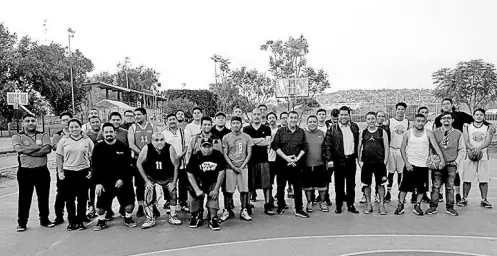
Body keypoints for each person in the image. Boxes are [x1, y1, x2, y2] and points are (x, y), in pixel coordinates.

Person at [395, 114, 445, 216]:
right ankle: (400, 205)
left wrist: (442, 160)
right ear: (414, 121)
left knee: (421, 189)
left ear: (425, 122)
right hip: (410, 165)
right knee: (404, 187)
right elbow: (402, 149)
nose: (420, 123)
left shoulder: (429, 133)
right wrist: (407, 163)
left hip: (423, 166)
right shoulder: (408, 133)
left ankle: (417, 206)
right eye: (418, 121)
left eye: (423, 121)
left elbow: (436, 147)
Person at [12, 114, 55, 232]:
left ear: (36, 122)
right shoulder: (17, 136)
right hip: (25, 172)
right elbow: (19, 150)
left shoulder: (43, 134)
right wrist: (37, 148)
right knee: (24, 198)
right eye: (27, 121)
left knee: (43, 196)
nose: (30, 123)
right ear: (23, 123)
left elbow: (47, 149)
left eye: (32, 120)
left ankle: (44, 219)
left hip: (41, 171)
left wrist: (28, 151)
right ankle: (22, 222)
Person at [92, 123, 137, 231]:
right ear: (103, 133)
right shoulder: (98, 147)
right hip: (105, 181)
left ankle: (128, 218)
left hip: (123, 180)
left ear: (114, 133)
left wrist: (122, 179)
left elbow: (128, 166)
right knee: (100, 209)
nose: (108, 134)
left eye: (110, 132)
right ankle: (101, 221)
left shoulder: (123, 146)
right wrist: (98, 183)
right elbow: (95, 167)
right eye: (106, 132)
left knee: (129, 206)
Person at [137, 132, 182, 229]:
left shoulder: (170, 148)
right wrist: (147, 180)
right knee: (148, 192)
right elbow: (138, 163)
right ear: (152, 141)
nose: (159, 142)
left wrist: (173, 182)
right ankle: (150, 218)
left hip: (167, 177)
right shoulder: (147, 148)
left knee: (173, 192)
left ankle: (173, 215)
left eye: (162, 140)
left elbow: (176, 166)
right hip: (152, 177)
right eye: (156, 140)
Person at [56, 119, 94, 231]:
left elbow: (93, 157)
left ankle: (81, 220)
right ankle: (72, 221)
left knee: (82, 198)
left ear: (80, 127)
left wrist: (92, 170)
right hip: (68, 172)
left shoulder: (87, 140)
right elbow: (59, 157)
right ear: (68, 128)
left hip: (83, 171)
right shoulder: (63, 140)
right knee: (70, 198)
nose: (74, 129)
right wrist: (60, 171)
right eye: (72, 127)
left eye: (76, 127)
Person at [433, 98, 473, 204]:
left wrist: (487, 124)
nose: (445, 105)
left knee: (455, 174)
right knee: (440, 173)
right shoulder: (438, 119)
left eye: (447, 103)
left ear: (451, 105)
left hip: (455, 149)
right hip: (442, 149)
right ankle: (440, 193)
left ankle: (458, 194)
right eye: (443, 104)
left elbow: (474, 120)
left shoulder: (460, 115)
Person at [426, 111, 466, 216]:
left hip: (451, 164)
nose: (446, 120)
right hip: (438, 164)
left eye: (449, 118)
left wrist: (456, 162)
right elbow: (430, 147)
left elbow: (462, 149)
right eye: (444, 118)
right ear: (440, 120)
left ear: (453, 120)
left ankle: (450, 207)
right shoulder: (434, 132)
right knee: (436, 186)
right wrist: (432, 160)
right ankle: (433, 206)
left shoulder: (458, 133)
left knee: (450, 187)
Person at [271, 111, 309, 218]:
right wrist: (286, 158)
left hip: (296, 164)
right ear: (287, 119)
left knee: (297, 187)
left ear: (297, 119)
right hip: (282, 163)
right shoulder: (280, 131)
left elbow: (304, 147)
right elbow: (275, 146)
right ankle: (281, 206)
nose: (293, 120)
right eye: (291, 117)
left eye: (295, 118)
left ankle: (299, 209)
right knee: (281, 186)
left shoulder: (301, 132)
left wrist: (297, 158)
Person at [324, 106, 360, 214]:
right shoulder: (332, 128)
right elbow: (328, 145)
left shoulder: (354, 127)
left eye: (346, 114)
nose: (344, 117)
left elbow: (358, 143)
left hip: (351, 159)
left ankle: (351, 204)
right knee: (339, 184)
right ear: (338, 116)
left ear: (349, 115)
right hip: (338, 160)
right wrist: (329, 160)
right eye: (342, 114)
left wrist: (358, 158)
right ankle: (338, 205)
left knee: (351, 184)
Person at [187, 137, 226, 231]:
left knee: (213, 198)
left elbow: (222, 172)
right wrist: (197, 189)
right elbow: (190, 174)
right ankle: (195, 215)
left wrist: (216, 189)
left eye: (209, 147)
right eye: (204, 147)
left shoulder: (218, 155)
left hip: (212, 181)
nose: (206, 149)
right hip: (198, 181)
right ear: (200, 147)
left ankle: (213, 218)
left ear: (212, 147)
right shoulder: (195, 156)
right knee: (193, 199)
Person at [221, 116, 254, 221]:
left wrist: (242, 165)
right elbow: (225, 154)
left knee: (244, 190)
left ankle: (244, 210)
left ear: (241, 124)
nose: (236, 125)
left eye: (238, 123)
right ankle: (227, 210)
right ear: (230, 125)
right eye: (233, 123)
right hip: (230, 168)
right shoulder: (226, 137)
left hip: (243, 168)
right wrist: (233, 166)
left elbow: (249, 154)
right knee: (228, 191)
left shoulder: (247, 137)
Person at [459, 108, 494, 208]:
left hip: (483, 156)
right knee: (467, 179)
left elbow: (488, 141)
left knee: (483, 179)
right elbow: (466, 141)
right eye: (477, 115)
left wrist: (479, 149)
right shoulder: (467, 127)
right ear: (473, 116)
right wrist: (473, 149)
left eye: (481, 115)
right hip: (470, 155)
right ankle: (464, 198)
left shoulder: (488, 127)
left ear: (484, 116)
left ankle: (484, 199)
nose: (479, 116)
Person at [128, 107, 159, 218]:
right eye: (135, 115)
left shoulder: (153, 127)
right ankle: (141, 206)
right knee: (140, 185)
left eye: (139, 114)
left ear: (145, 115)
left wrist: (149, 154)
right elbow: (131, 144)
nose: (136, 117)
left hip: (151, 159)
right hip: (138, 160)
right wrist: (143, 154)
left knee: (151, 183)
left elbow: (157, 141)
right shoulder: (132, 128)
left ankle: (153, 205)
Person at [243, 108, 275, 215]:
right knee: (249, 185)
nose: (256, 116)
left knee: (267, 184)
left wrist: (253, 140)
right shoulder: (246, 129)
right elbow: (247, 143)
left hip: (264, 160)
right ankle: (247, 206)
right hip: (250, 160)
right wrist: (260, 139)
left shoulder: (266, 128)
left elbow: (267, 142)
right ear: (251, 115)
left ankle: (268, 206)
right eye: (254, 114)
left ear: (261, 115)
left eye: (258, 114)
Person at [357, 112, 389, 215]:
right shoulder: (363, 132)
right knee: (367, 185)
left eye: (372, 119)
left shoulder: (381, 132)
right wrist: (359, 161)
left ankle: (382, 205)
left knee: (381, 185)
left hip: (379, 163)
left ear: (376, 120)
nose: (371, 121)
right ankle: (369, 204)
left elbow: (386, 147)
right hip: (366, 163)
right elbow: (359, 147)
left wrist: (385, 161)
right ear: (366, 120)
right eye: (369, 119)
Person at [162, 113, 189, 213]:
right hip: (168, 163)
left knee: (183, 184)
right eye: (170, 120)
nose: (172, 121)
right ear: (167, 121)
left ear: (177, 120)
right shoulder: (164, 133)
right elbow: (162, 147)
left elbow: (186, 146)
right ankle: (170, 202)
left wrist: (180, 155)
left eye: (174, 119)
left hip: (181, 162)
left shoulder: (183, 132)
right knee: (169, 183)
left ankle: (183, 203)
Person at [303, 115, 329, 213]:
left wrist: (328, 160)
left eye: (314, 122)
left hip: (320, 164)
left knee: (322, 186)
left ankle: (323, 202)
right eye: (310, 122)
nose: (312, 123)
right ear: (307, 123)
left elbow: (327, 148)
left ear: (317, 123)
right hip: (306, 164)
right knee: (308, 186)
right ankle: (310, 202)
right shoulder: (303, 134)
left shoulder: (322, 133)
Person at [385, 102, 409, 203]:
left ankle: (400, 193)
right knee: (390, 173)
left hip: (402, 150)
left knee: (401, 173)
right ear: (396, 110)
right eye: (398, 109)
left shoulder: (407, 122)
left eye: (402, 109)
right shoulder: (390, 122)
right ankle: (388, 193)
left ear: (405, 111)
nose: (400, 111)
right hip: (391, 149)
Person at [52, 111, 72, 225]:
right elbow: (56, 149)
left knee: (76, 193)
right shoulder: (57, 135)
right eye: (64, 120)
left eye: (68, 119)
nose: (66, 122)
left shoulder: (80, 133)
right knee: (61, 193)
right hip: (63, 168)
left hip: (76, 167)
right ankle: (59, 216)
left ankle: (77, 216)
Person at [85, 115, 101, 220]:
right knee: (90, 187)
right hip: (91, 163)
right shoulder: (86, 135)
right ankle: (90, 207)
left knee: (102, 186)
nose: (95, 124)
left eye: (97, 122)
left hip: (102, 164)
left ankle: (104, 208)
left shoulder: (105, 132)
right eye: (93, 122)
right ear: (90, 124)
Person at [267, 112, 280, 207]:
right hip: (269, 159)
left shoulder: (280, 130)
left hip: (279, 159)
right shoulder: (265, 130)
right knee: (269, 182)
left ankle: (280, 200)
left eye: (273, 117)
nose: (271, 119)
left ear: (276, 118)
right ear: (267, 120)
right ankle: (270, 200)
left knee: (280, 181)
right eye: (269, 118)